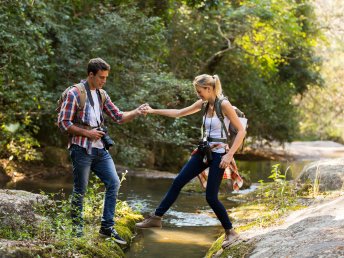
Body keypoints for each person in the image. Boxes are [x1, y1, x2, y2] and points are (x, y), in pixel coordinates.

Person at [136, 74, 246, 249]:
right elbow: (179, 113)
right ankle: (156, 218)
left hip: (219, 154)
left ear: (209, 89)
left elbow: (241, 131)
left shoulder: (223, 105)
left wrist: (229, 155)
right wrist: (152, 111)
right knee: (178, 181)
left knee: (211, 197)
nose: (198, 94)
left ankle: (231, 232)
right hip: (204, 151)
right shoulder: (202, 104)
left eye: (199, 91)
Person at [58, 58, 146, 243]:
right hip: (81, 148)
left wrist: (137, 111)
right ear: (90, 75)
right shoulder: (74, 93)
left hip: (100, 149)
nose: (103, 81)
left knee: (113, 182)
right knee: (80, 189)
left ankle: (107, 228)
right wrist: (88, 133)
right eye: (101, 77)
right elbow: (63, 123)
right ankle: (77, 231)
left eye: (106, 78)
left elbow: (119, 117)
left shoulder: (102, 94)